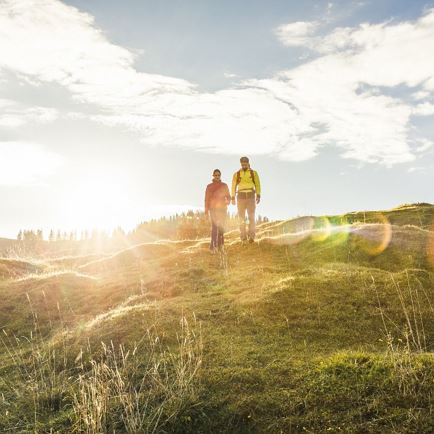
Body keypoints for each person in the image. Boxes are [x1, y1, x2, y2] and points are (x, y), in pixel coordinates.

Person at [231, 156, 261, 243]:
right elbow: (233, 186)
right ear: (241, 164)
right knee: (241, 218)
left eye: (245, 163)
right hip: (240, 197)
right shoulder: (236, 174)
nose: (244, 164)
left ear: (248, 163)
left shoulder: (253, 173)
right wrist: (232, 198)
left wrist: (258, 195)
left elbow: (258, 184)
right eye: (242, 163)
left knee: (251, 217)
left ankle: (251, 237)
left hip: (251, 196)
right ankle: (243, 237)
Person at [204, 169, 231, 253]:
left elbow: (228, 196)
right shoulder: (209, 186)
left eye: (218, 175)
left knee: (221, 228)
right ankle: (213, 247)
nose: (217, 176)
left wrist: (228, 201)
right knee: (214, 227)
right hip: (213, 209)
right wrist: (206, 211)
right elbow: (206, 199)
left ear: (220, 176)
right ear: (213, 176)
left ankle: (221, 246)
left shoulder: (224, 185)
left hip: (222, 209)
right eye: (215, 175)